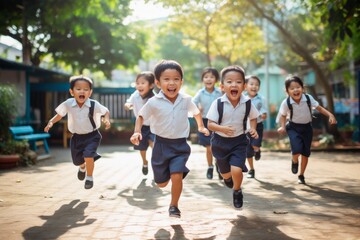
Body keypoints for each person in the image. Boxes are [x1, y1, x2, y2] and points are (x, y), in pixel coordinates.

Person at [130, 60, 210, 218]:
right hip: (160, 145)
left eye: (176, 79)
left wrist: (201, 127)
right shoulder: (153, 102)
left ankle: (174, 206)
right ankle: (165, 176)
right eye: (166, 79)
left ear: (181, 81)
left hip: (180, 145)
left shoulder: (186, 99)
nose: (172, 83)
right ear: (158, 83)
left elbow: (196, 113)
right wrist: (136, 132)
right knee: (162, 183)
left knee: (176, 175)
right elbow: (140, 116)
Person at [44, 75, 111, 189]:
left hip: (92, 136)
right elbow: (60, 115)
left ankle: (89, 178)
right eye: (78, 89)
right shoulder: (68, 104)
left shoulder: (94, 104)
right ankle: (82, 167)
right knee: (77, 160)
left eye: (86, 89)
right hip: (76, 137)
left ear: (90, 92)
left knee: (88, 155)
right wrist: (51, 122)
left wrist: (107, 120)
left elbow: (106, 111)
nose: (82, 92)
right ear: (71, 91)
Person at [207, 66, 259, 209]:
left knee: (236, 169)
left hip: (239, 141)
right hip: (220, 142)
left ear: (244, 86)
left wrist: (253, 128)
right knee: (225, 174)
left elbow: (253, 117)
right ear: (222, 86)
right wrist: (221, 128)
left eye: (238, 82)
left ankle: (237, 191)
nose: (234, 85)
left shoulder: (247, 103)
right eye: (229, 82)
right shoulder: (218, 103)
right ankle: (225, 175)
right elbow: (210, 124)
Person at [277, 75, 337, 184]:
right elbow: (283, 115)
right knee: (296, 149)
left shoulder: (308, 98)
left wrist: (330, 115)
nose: (295, 90)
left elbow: (319, 108)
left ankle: (301, 175)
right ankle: (294, 161)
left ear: (302, 88)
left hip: (307, 128)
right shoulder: (286, 102)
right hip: (293, 127)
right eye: (292, 88)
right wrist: (283, 126)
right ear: (287, 91)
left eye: (298, 87)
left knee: (305, 153)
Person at [192, 67, 223, 180]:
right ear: (202, 79)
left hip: (218, 122)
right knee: (209, 147)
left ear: (216, 80)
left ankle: (219, 165)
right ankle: (210, 167)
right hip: (205, 122)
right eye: (206, 77)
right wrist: (197, 108)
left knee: (218, 147)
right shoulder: (200, 93)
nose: (209, 79)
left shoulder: (220, 93)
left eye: (211, 77)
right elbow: (192, 104)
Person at [124, 71, 155, 175]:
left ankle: (156, 164)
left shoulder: (154, 98)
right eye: (138, 83)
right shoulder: (136, 95)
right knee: (142, 148)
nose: (139, 85)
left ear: (151, 85)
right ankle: (145, 162)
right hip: (140, 127)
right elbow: (129, 102)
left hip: (154, 127)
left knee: (154, 145)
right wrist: (128, 105)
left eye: (143, 83)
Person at [244, 75, 267, 179]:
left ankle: (257, 150)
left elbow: (264, 111)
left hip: (258, 126)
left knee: (255, 145)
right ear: (245, 86)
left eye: (257, 85)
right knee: (248, 151)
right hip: (245, 127)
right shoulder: (242, 98)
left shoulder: (261, 99)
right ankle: (251, 169)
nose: (254, 86)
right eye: (251, 84)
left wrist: (263, 114)